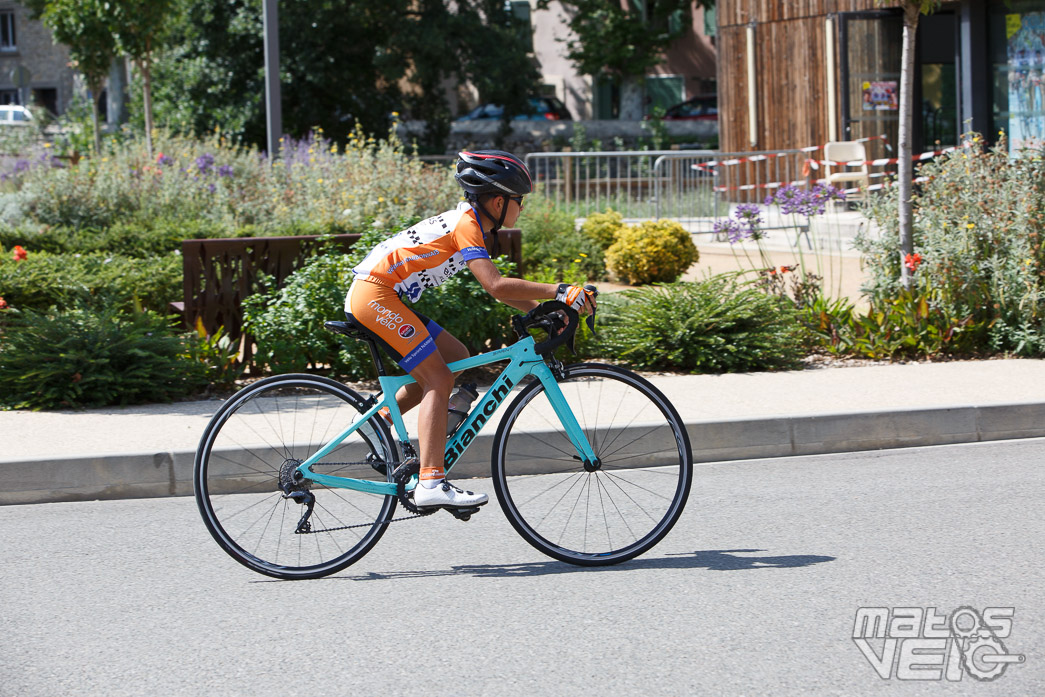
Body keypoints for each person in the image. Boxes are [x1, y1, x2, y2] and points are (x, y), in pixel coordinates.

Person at [345, 150, 596, 510]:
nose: (521, 208)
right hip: (375, 296)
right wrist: (559, 291)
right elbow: (495, 285)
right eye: (519, 201)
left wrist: (545, 311)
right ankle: (431, 481)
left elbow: (499, 291)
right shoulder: (467, 224)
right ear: (498, 201)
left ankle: (377, 421)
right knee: (439, 380)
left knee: (456, 358)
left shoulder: (470, 222)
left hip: (383, 295)